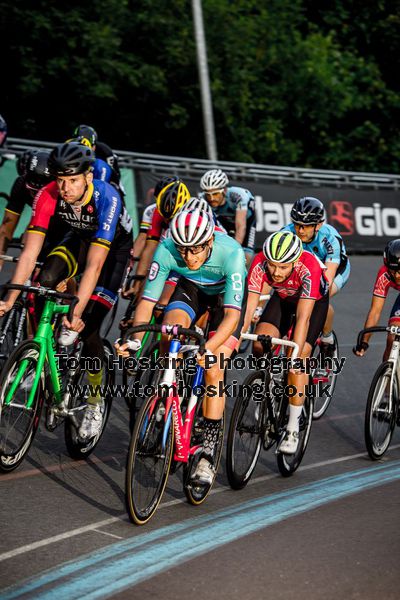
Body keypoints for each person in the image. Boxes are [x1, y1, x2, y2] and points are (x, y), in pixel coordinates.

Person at [0, 142, 133, 439]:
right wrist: (10, 298)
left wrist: (77, 312)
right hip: (80, 239)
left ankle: (95, 401)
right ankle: (43, 351)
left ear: (88, 176)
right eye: (60, 180)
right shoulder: (48, 194)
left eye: (72, 180)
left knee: (88, 330)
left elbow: (96, 266)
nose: (65, 187)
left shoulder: (106, 197)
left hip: (113, 255)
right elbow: (30, 251)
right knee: (45, 278)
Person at [116, 208, 247, 485]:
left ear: (210, 241)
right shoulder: (166, 249)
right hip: (191, 290)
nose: (188, 257)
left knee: (213, 368)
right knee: (169, 331)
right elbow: (148, 302)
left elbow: (234, 317)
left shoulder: (231, 252)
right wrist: (135, 340)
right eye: (183, 250)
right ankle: (166, 391)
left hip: (226, 300)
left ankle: (208, 454)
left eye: (195, 249)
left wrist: (208, 348)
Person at [243, 230, 329, 454]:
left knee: (297, 363)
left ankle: (292, 427)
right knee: (260, 344)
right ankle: (269, 388)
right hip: (282, 298)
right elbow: (249, 308)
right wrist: (235, 338)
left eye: (283, 267)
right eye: (272, 266)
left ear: (294, 261)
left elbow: (303, 318)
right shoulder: (260, 262)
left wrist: (294, 355)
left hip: (311, 304)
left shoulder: (309, 267)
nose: (275, 272)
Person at [283, 196, 350, 357]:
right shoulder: (287, 232)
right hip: (305, 269)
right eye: (297, 224)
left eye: (305, 226)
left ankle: (327, 338)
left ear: (318, 225)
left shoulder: (329, 238)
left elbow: (326, 279)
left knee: (320, 297)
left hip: (334, 269)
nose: (299, 230)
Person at [0, 149, 53, 269]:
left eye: (40, 192)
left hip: (59, 221)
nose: (36, 196)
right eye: (32, 191)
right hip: (40, 218)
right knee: (27, 240)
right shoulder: (21, 184)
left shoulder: (60, 189)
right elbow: (6, 229)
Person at [199, 168, 256, 267]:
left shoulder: (238, 196)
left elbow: (240, 226)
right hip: (222, 219)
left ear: (224, 190)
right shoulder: (202, 199)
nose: (212, 199)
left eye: (215, 194)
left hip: (244, 220)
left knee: (245, 257)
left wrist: (233, 250)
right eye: (208, 195)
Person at [354, 239, 400, 360]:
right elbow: (375, 311)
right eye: (393, 270)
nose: (396, 276)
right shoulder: (384, 274)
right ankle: (387, 374)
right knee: (393, 336)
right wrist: (364, 342)